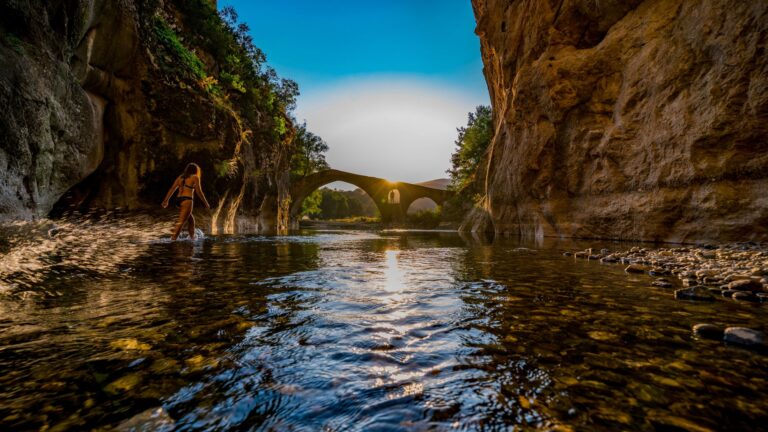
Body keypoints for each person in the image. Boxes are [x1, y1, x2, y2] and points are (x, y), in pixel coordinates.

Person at [162, 163, 211, 240]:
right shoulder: (195, 177)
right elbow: (199, 191)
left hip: (178, 201)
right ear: (195, 171)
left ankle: (192, 237)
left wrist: (166, 200)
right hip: (187, 200)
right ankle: (173, 239)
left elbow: (172, 189)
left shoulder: (180, 177)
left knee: (191, 220)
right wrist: (206, 203)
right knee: (181, 222)